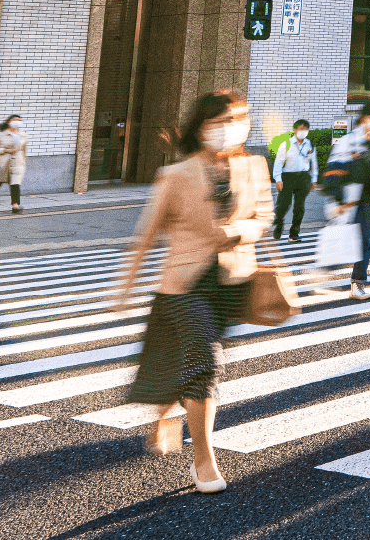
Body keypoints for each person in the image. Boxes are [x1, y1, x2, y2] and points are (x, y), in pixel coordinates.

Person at [116, 90, 269, 493]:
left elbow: (263, 218)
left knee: (190, 363)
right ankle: (204, 461)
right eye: (221, 121)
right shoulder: (177, 175)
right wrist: (125, 287)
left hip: (231, 283)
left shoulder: (254, 167)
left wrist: (236, 231)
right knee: (205, 365)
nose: (231, 127)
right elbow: (146, 236)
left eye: (238, 118)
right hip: (184, 286)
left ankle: (164, 411)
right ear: (202, 127)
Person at [321, 103, 370, 298]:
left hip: (368, 200)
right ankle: (323, 271)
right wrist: (338, 199)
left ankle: (357, 284)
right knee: (345, 242)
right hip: (349, 202)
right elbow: (332, 172)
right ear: (367, 118)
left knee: (365, 244)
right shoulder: (348, 141)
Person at [271, 119, 319, 243]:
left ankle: (294, 233)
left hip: (303, 177)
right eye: (301, 129)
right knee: (283, 205)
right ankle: (279, 224)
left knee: (300, 207)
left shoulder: (310, 144)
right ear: (294, 130)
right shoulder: (286, 144)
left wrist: (314, 179)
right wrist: (278, 179)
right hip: (288, 177)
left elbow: (313, 162)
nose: (303, 132)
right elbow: (279, 162)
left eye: (306, 129)